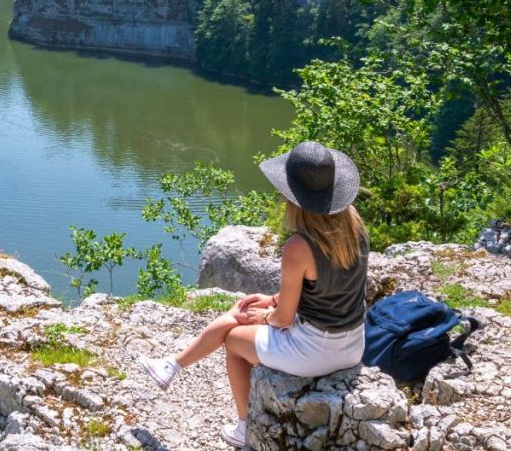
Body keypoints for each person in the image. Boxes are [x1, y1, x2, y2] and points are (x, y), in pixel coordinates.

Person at [140, 141, 369, 448]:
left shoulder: (298, 247)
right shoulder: (353, 224)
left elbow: (284, 320)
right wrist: (272, 300)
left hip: (316, 351)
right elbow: (329, 289)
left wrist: (263, 315)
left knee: (234, 340)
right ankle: (172, 365)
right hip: (353, 344)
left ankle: (245, 426)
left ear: (292, 197)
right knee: (240, 317)